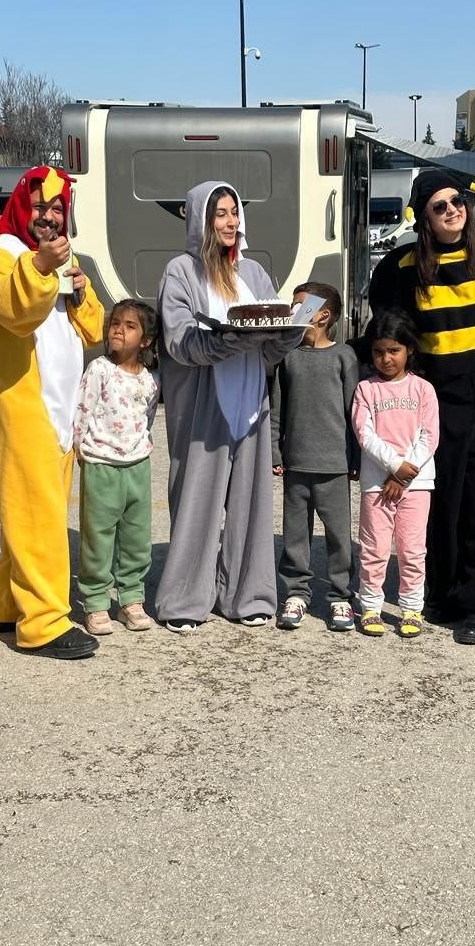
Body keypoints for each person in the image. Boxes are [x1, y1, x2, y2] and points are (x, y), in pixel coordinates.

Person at [368, 169, 475, 644]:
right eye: (439, 206)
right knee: (440, 497)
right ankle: (439, 592)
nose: (452, 211)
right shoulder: (404, 267)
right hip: (436, 395)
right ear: (423, 215)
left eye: (457, 201)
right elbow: (387, 331)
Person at [156, 181, 303, 633]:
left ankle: (248, 595)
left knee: (251, 504)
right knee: (196, 501)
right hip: (203, 404)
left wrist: (286, 334)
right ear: (201, 218)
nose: (230, 222)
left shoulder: (254, 272)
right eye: (220, 213)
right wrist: (222, 342)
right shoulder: (181, 271)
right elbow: (179, 340)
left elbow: (270, 341)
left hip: (252, 401)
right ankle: (183, 600)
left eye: (234, 212)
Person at [0, 166, 105, 659]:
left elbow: (93, 329)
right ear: (20, 208)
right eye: (40, 207)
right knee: (39, 513)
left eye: (58, 209)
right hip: (22, 404)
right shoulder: (1, 255)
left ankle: (8, 603)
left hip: (58, 406)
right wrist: (43, 270)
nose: (49, 218)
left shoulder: (59, 260)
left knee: (29, 512)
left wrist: (78, 287)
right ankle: (44, 622)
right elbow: (9, 308)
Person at [271, 282, 359, 632]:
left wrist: (356, 456)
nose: (291, 310)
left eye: (298, 306)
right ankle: (295, 592)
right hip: (296, 464)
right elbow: (277, 409)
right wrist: (275, 450)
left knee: (339, 536)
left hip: (335, 465)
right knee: (295, 533)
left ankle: (340, 596)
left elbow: (355, 411)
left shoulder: (344, 357)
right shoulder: (288, 357)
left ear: (323, 315)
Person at [73, 300, 160, 636]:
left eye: (130, 326)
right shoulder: (99, 370)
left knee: (137, 538)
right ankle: (95, 602)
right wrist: (80, 448)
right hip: (101, 466)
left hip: (137, 465)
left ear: (146, 340)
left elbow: (147, 419)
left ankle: (131, 599)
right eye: (115, 324)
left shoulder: (150, 381)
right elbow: (82, 410)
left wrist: (139, 448)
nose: (119, 331)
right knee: (98, 537)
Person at [351, 310, 439, 637]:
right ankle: (371, 606)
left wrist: (403, 475)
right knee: (374, 548)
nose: (386, 358)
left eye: (393, 351)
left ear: (409, 350)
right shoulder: (366, 390)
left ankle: (411, 608)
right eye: (378, 351)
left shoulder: (423, 390)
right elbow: (365, 434)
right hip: (376, 484)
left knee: (412, 549)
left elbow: (429, 435)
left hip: (416, 484)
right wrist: (393, 466)